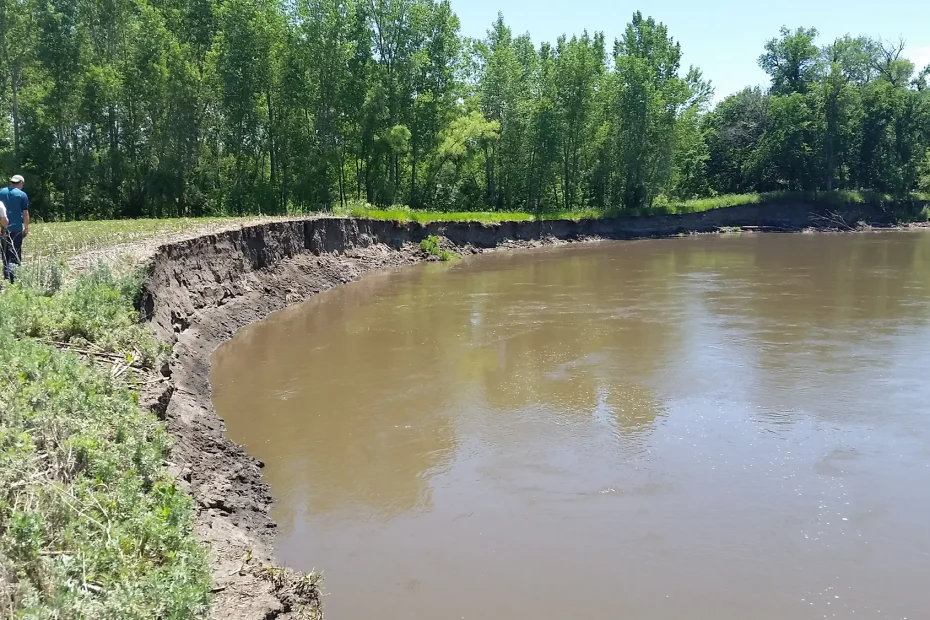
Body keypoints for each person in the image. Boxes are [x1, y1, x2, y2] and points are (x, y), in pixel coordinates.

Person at [0, 174, 29, 282]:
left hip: (2, 228)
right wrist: (26, 228)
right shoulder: (22, 195)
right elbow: (25, 213)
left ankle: (7, 276)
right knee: (15, 252)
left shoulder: (1, 192)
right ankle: (14, 278)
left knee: (4, 252)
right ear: (20, 183)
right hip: (16, 228)